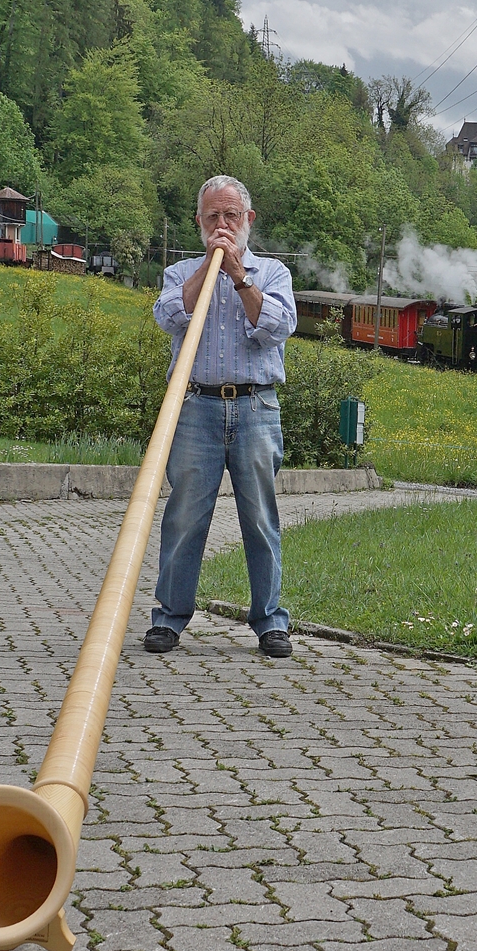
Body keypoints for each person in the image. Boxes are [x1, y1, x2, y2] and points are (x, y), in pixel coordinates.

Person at [145, 175, 297, 658]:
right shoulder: (180, 272)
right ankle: (169, 618)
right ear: (199, 223)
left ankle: (270, 621)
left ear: (248, 220)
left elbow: (277, 327)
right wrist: (206, 272)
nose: (222, 226)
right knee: (185, 516)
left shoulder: (271, 273)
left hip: (256, 407)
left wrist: (237, 276)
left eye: (231, 216)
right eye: (213, 218)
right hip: (195, 408)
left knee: (259, 518)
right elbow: (167, 316)